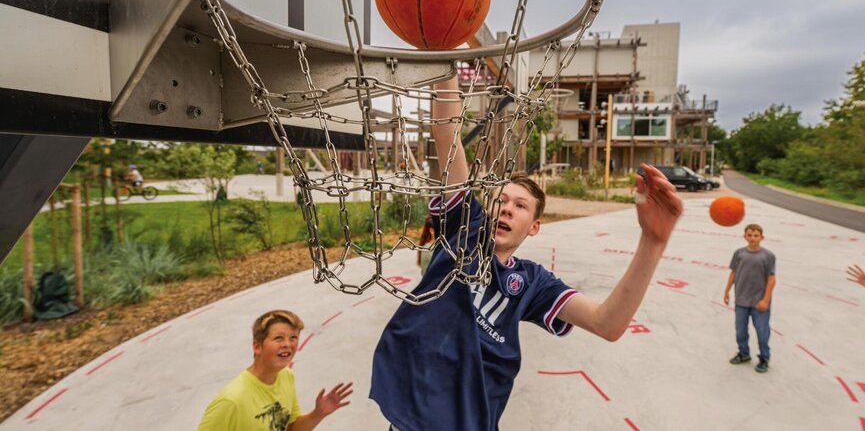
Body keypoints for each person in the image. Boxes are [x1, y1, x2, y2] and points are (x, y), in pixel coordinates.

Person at [370, 76, 683, 430]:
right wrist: (445, 65)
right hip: (415, 412)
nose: (506, 209)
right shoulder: (466, 227)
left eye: (520, 206)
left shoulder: (534, 282)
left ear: (533, 226)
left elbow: (607, 324)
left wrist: (652, 242)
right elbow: (448, 138)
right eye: (500, 200)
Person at [198, 309, 352, 431]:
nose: (287, 344)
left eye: (293, 338)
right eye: (279, 338)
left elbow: (291, 428)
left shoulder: (286, 376)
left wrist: (318, 414)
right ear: (257, 346)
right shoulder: (231, 400)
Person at [723, 223, 776, 374]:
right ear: (744, 236)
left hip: (759, 302)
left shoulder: (768, 256)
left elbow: (772, 279)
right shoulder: (739, 253)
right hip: (741, 300)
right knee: (740, 330)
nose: (752, 238)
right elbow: (733, 273)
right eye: (750, 235)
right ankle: (744, 353)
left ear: (762, 237)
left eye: (756, 235)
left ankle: (764, 358)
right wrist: (727, 291)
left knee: (762, 331)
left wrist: (765, 300)